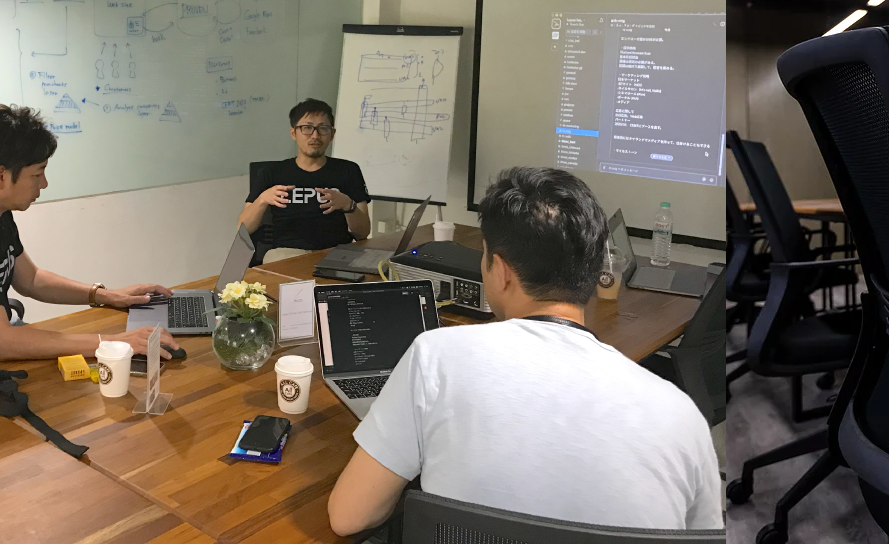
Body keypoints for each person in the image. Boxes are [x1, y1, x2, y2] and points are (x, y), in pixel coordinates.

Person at [326, 166, 724, 534]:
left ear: (500, 271)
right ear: (593, 272)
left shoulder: (436, 358)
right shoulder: (683, 419)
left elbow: (349, 517)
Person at [0, 104, 182, 362]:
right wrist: (112, 342)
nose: (44, 184)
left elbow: (31, 279)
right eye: (37, 173)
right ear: (1, 176)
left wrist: (106, 295)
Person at [240, 98, 369, 258]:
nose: (315, 135)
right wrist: (262, 200)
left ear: (332, 134)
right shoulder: (272, 172)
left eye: (323, 128)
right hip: (286, 253)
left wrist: (348, 205)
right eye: (307, 128)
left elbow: (363, 233)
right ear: (293, 133)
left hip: (336, 252)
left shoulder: (349, 170)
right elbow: (243, 228)